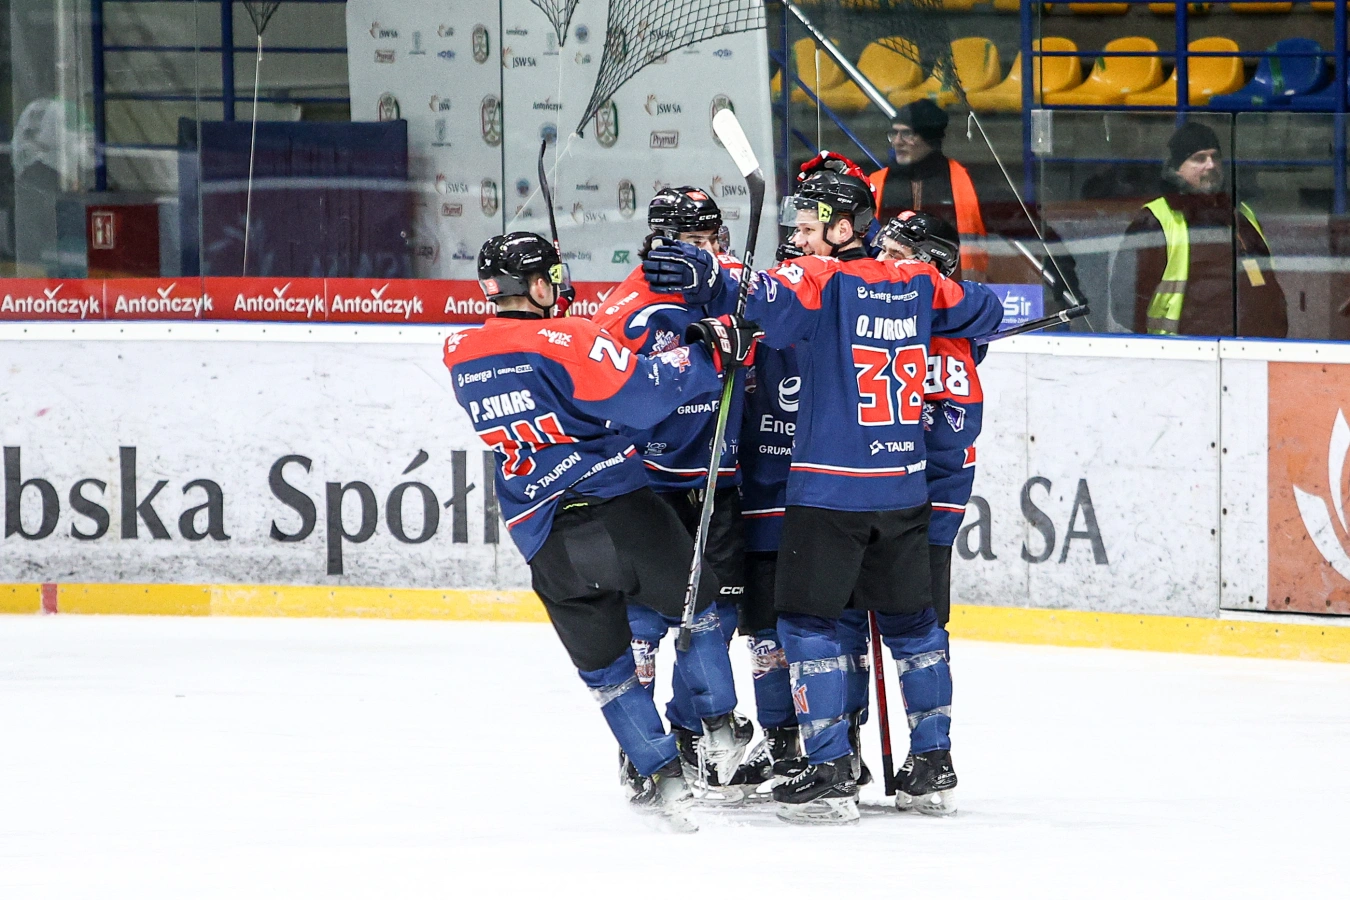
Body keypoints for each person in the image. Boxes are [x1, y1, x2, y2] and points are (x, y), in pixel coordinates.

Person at [644, 166, 1003, 824]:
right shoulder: (917, 280)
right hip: (903, 490)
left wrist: (707, 272)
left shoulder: (822, 279)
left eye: (810, 228)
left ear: (841, 230)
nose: (801, 238)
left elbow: (757, 293)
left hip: (829, 493)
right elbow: (985, 309)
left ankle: (832, 770)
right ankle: (933, 767)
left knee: (810, 625)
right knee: (915, 628)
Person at [444, 231, 760, 830]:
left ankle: (661, 776)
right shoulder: (568, 338)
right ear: (536, 285)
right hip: (618, 511)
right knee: (699, 608)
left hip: (542, 535)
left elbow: (544, 377)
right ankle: (719, 727)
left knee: (608, 673)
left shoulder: (459, 351)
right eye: (552, 278)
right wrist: (710, 352)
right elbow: (644, 397)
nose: (559, 286)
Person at [590, 187, 757, 797]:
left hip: (716, 478)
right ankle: (642, 753)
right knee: (642, 624)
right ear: (661, 241)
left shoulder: (730, 285)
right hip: (647, 485)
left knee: (718, 614)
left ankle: (691, 735)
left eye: (712, 239)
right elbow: (606, 395)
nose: (706, 252)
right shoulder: (628, 307)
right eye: (693, 241)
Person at [877, 211, 985, 634]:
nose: (881, 261)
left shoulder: (954, 327)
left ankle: (929, 675)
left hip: (933, 484)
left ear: (930, 264)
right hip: (884, 482)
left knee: (922, 618)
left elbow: (953, 430)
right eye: (882, 251)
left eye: (895, 254)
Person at [1112, 121, 1287, 338]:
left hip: (1252, 348)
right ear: (1177, 169)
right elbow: (1125, 302)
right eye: (1199, 158)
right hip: (1182, 351)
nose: (1211, 165)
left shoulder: (1241, 214)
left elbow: (1266, 284)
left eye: (1215, 157)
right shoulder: (1156, 219)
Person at [868, 99, 989, 281]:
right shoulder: (875, 182)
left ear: (929, 138)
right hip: (886, 285)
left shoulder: (967, 180)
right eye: (894, 133)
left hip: (952, 287)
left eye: (907, 134)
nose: (897, 142)